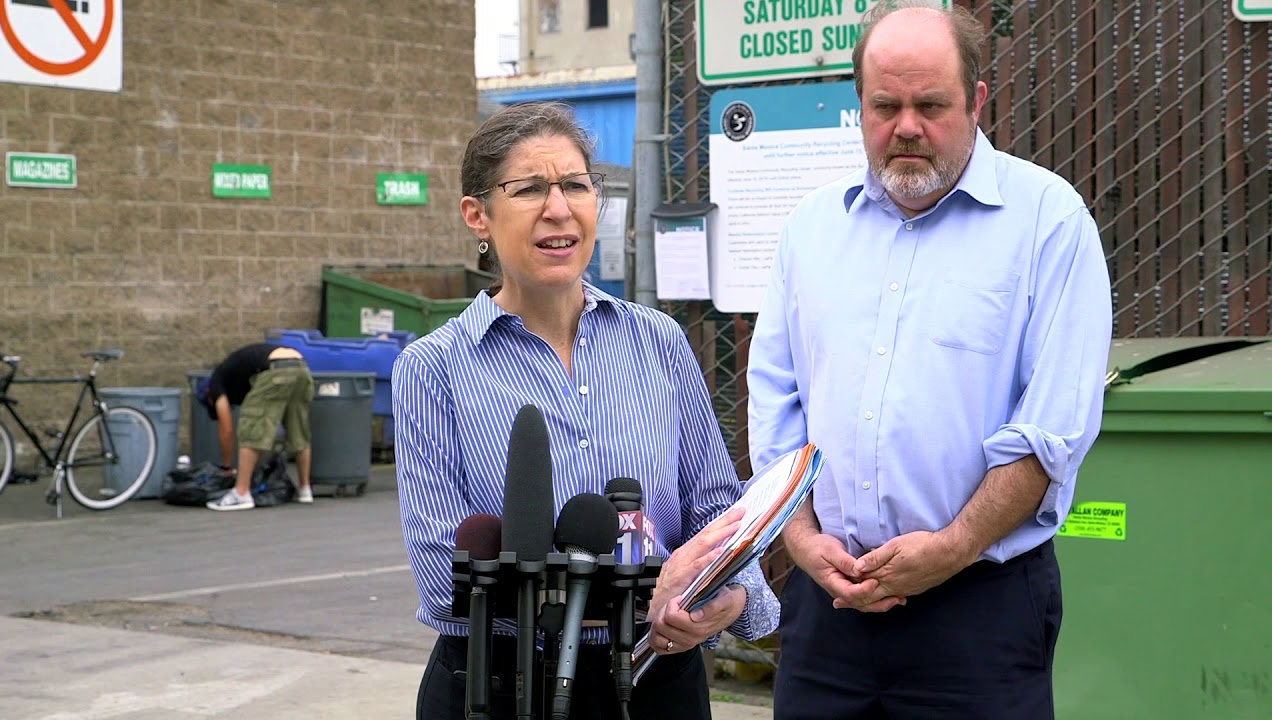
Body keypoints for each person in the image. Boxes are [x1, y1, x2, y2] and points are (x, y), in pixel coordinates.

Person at [746, 3, 1113, 719]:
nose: (907, 126)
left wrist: (953, 546)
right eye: (886, 106)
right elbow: (776, 399)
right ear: (860, 106)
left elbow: (1054, 428)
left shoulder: (1049, 222)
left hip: (978, 608)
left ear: (976, 101)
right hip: (828, 608)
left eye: (931, 105)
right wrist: (800, 538)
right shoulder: (811, 230)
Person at [392, 101, 780, 720]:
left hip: (654, 682)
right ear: (477, 215)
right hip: (497, 685)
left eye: (575, 185)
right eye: (529, 189)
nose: (559, 208)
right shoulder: (433, 367)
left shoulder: (657, 340)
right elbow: (445, 578)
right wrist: (651, 586)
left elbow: (716, 513)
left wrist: (730, 594)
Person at [198, 343, 314, 511]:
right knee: (298, 431)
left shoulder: (216, 382)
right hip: (301, 366)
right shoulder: (239, 378)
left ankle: (241, 493)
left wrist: (227, 467)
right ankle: (305, 489)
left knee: (250, 428)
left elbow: (227, 429)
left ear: (209, 396)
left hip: (275, 368)